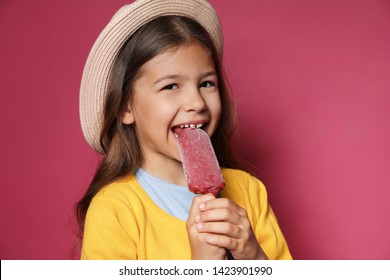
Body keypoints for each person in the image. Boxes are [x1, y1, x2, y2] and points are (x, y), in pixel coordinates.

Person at [76, 0, 292, 260]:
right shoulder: (115, 210)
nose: (198, 103)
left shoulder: (248, 191)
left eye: (206, 83)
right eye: (171, 86)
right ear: (125, 107)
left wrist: (253, 255)